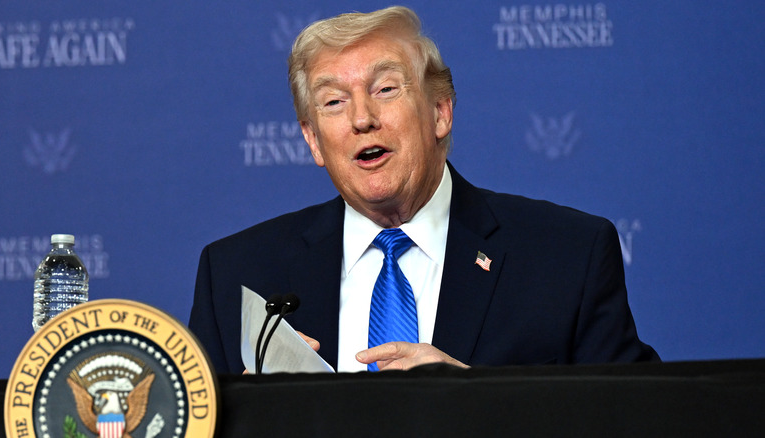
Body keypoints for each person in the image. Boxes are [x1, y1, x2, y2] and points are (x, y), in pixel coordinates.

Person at [189, 6, 658, 374]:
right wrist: (246, 414)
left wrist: (482, 405)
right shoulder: (236, 274)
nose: (361, 118)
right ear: (312, 140)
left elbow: (637, 417)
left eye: (386, 89)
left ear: (440, 112)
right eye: (334, 101)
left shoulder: (566, 256)